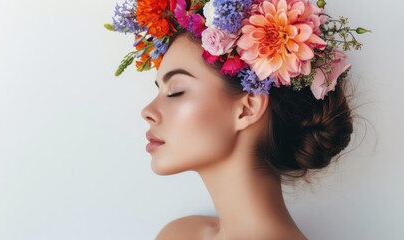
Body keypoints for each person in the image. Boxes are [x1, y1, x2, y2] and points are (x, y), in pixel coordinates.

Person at [106, 0, 369, 239]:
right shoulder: (179, 234)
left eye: (176, 91)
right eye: (159, 90)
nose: (147, 111)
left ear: (247, 109)